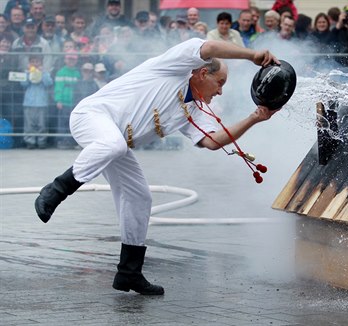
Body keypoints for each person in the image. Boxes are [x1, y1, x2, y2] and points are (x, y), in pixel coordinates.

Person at [34, 38, 282, 295]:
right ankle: (56, 189)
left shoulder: (195, 109)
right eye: (220, 83)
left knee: (140, 197)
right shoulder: (174, 66)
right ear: (202, 72)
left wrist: (255, 118)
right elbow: (208, 48)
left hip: (115, 142)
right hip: (92, 117)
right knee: (114, 145)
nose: (220, 92)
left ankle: (129, 273)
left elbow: (211, 141)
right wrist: (252, 55)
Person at [20, 53, 52, 149]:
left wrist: (41, 73)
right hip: (29, 103)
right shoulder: (27, 73)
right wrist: (29, 74)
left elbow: (48, 83)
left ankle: (41, 141)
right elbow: (23, 84)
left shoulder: (45, 73)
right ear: (29, 63)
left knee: (41, 124)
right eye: (32, 62)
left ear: (41, 63)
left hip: (41, 103)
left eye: (37, 61)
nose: (35, 64)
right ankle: (30, 141)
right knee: (29, 124)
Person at [53, 50, 80, 149]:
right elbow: (58, 88)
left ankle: (71, 142)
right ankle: (62, 142)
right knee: (63, 123)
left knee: (73, 124)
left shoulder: (77, 73)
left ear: (76, 61)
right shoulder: (61, 72)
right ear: (65, 60)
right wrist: (58, 100)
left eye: (73, 59)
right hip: (64, 103)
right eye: (69, 59)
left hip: (74, 103)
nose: (71, 61)